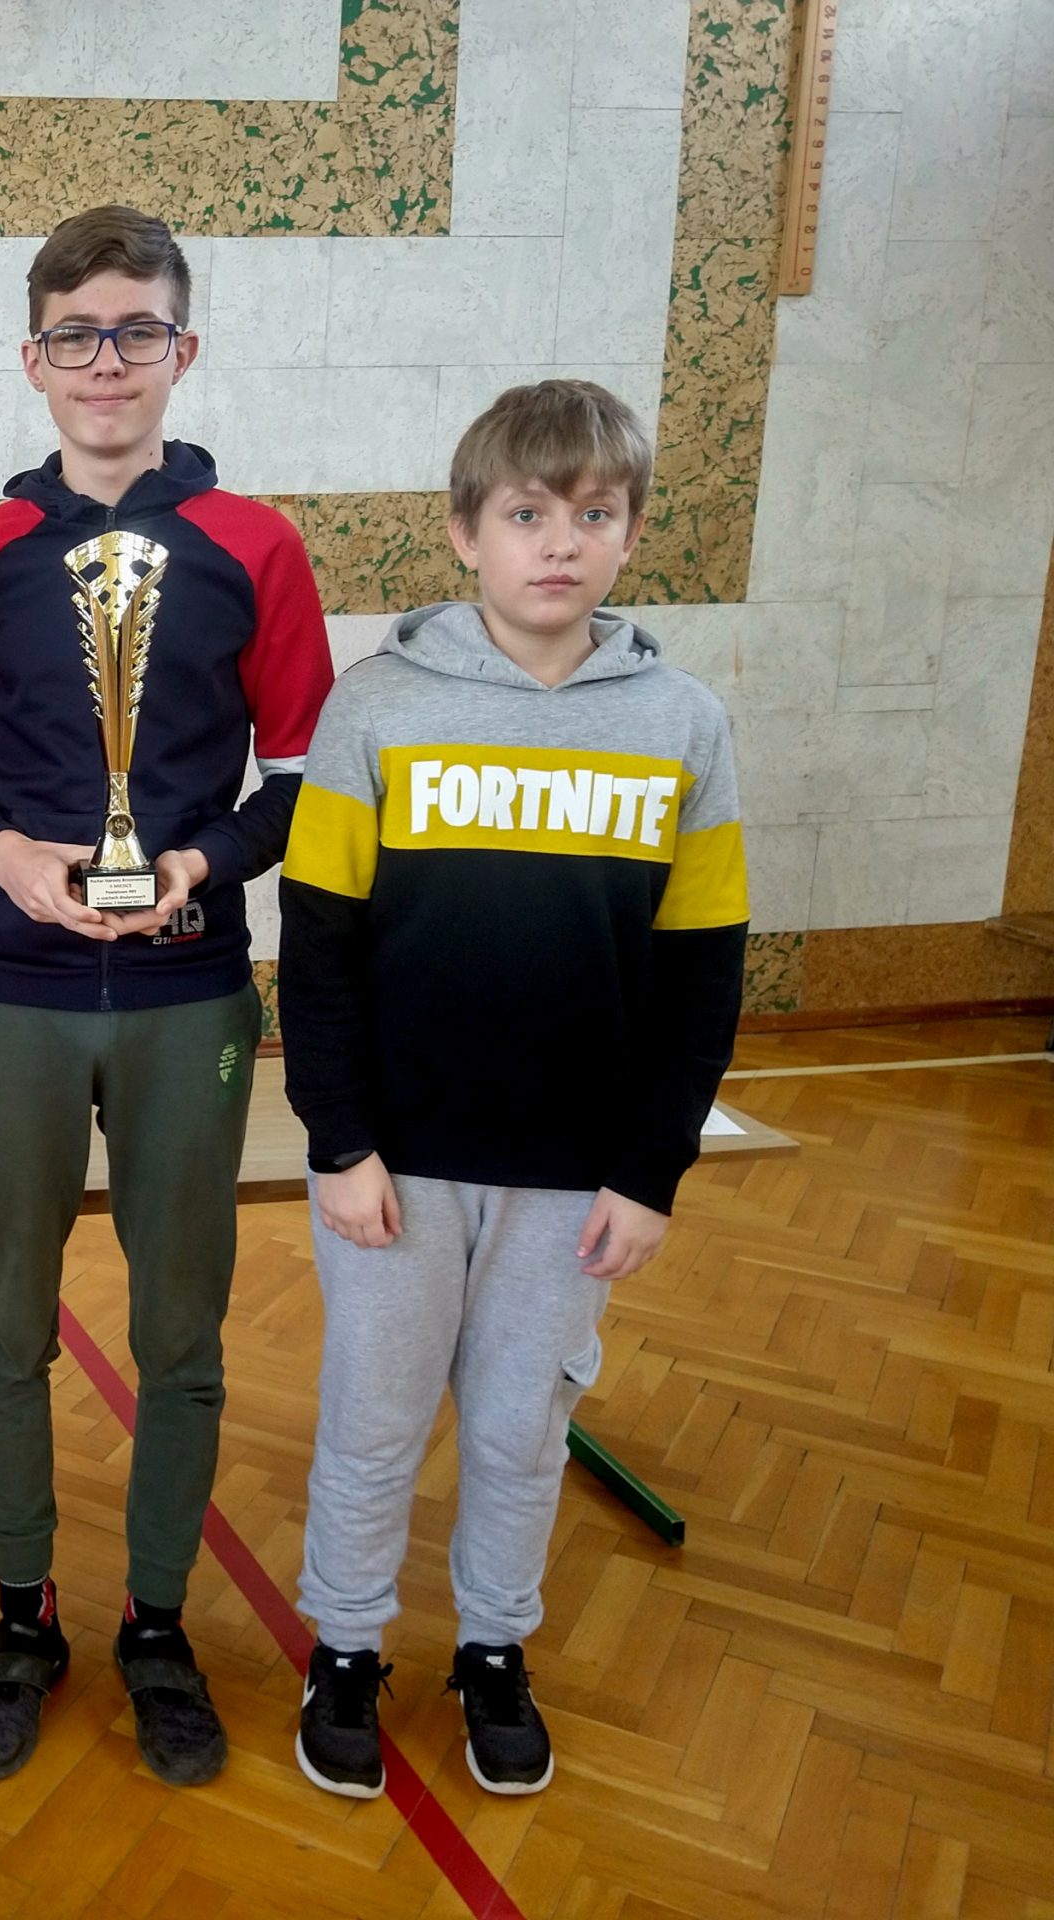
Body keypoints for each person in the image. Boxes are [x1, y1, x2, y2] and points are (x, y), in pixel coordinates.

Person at [0, 205, 335, 1787]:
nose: (108, 361)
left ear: (182, 348)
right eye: (77, 335)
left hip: (186, 999)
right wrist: (5, 854)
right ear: (33, 359)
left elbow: (299, 780)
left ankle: (158, 1623)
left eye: (137, 330)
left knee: (181, 1331)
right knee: (3, 1322)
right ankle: (24, 1618)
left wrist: (203, 864)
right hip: (14, 997)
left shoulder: (256, 547)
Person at [279, 380, 748, 1800]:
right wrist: (339, 1140)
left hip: (575, 1177)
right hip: (397, 1166)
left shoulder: (681, 724)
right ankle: (346, 1648)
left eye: (594, 515)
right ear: (464, 532)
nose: (561, 543)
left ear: (631, 533)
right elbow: (319, 948)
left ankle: (493, 1648)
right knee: (373, 1423)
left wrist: (651, 1169)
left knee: (518, 1429)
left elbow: (703, 976)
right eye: (529, 513)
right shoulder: (378, 705)